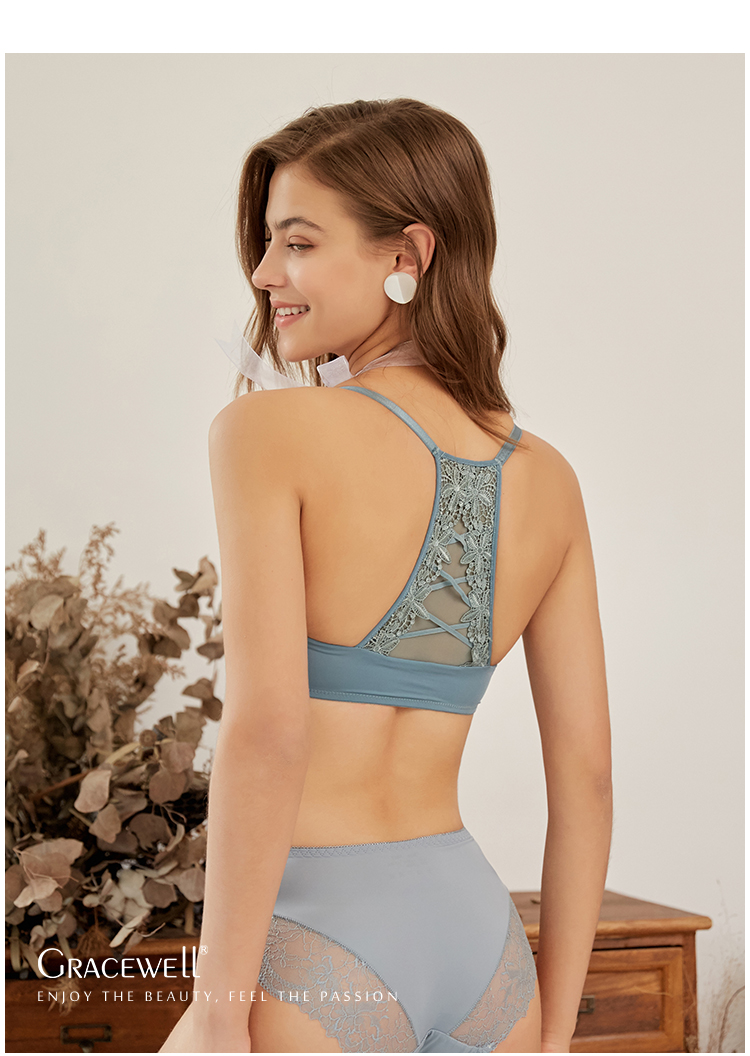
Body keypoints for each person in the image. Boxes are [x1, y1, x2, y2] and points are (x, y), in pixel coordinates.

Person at [160, 98, 612, 1054]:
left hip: (313, 946)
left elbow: (270, 731)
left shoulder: (267, 432)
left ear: (407, 255)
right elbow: (587, 780)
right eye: (268, 243)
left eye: (298, 243)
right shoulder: (550, 479)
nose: (264, 274)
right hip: (486, 957)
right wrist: (557, 1036)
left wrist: (219, 1010)